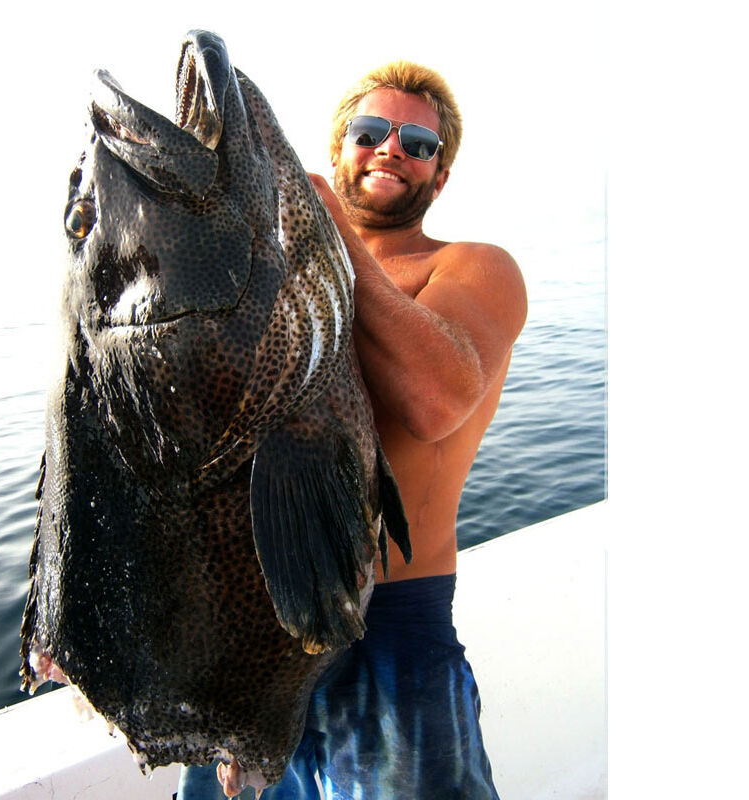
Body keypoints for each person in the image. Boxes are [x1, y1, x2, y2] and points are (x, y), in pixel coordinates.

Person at [178, 60, 527, 800]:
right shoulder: (266, 275)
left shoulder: (474, 268)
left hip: (390, 628)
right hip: (243, 622)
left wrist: (328, 231)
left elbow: (436, 402)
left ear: (440, 176)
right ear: (337, 148)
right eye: (370, 132)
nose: (391, 149)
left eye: (418, 144)